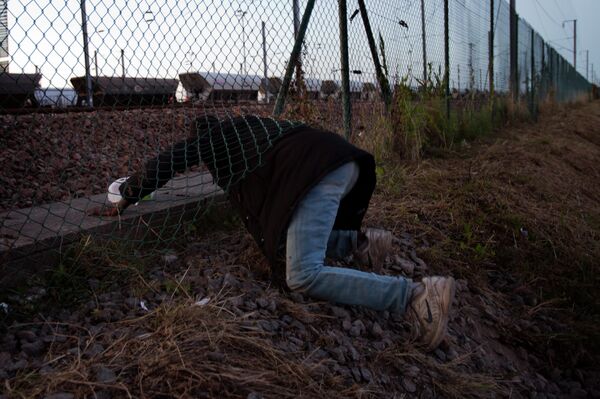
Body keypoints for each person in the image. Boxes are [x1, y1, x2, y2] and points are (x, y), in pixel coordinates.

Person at [90, 114, 456, 351]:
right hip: (344, 165)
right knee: (296, 247)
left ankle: (415, 296)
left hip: (319, 177)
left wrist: (128, 195)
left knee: (302, 275)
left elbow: (168, 162)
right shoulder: (252, 128)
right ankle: (360, 244)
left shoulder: (215, 142)